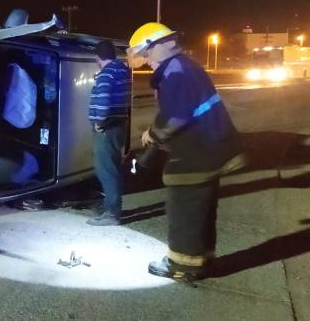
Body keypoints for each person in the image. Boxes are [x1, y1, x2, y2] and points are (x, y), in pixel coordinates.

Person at [127, 22, 245, 281]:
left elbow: (176, 116)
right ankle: (203, 258)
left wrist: (152, 134)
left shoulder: (175, 71)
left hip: (196, 155)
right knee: (202, 209)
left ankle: (183, 266)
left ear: (157, 46)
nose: (146, 61)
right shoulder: (185, 66)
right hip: (210, 150)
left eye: (146, 54)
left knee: (185, 211)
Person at [87, 40, 131, 226]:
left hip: (107, 128)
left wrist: (99, 122)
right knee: (112, 167)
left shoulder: (106, 73)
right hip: (119, 124)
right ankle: (112, 207)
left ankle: (112, 213)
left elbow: (103, 99)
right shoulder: (122, 70)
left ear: (98, 57)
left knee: (105, 169)